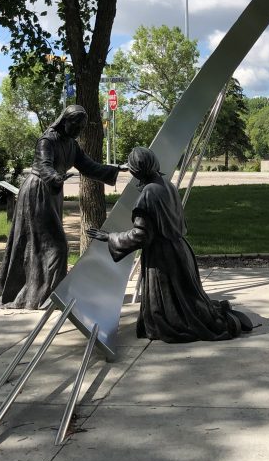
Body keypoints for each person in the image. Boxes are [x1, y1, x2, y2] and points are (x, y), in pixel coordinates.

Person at [86, 146, 252, 343]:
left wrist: (111, 237)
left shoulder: (148, 194)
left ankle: (170, 325)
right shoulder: (166, 184)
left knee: (172, 307)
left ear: (136, 171)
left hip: (163, 259)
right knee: (186, 300)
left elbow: (141, 235)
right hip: (180, 250)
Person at [0, 105, 126, 310]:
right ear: (65, 121)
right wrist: (55, 177)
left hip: (52, 192)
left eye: (81, 127)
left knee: (42, 244)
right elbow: (43, 165)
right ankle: (40, 296)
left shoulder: (72, 145)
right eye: (76, 125)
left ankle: (39, 294)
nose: (78, 130)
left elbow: (89, 167)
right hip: (38, 192)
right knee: (56, 246)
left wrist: (116, 169)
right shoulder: (47, 140)